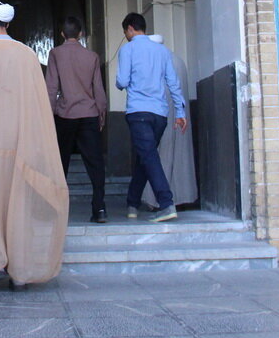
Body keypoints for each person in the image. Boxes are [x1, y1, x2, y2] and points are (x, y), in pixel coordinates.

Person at [0, 1, 69, 291]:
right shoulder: (28, 55)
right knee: (18, 206)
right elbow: (39, 104)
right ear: (7, 23)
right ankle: (20, 270)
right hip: (21, 144)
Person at [115, 13, 187, 223]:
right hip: (160, 115)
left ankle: (166, 204)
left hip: (138, 112)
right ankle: (132, 203)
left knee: (148, 157)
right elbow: (173, 83)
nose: (126, 35)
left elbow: (122, 81)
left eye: (125, 32)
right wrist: (180, 112)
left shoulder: (127, 49)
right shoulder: (162, 51)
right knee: (145, 157)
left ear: (130, 28)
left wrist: (120, 83)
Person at [45, 16, 109, 223]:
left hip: (65, 114)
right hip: (89, 114)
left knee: (60, 164)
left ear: (62, 34)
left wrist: (48, 114)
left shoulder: (55, 54)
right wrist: (101, 113)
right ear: (80, 34)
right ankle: (99, 208)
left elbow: (51, 87)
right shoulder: (92, 57)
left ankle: (57, 210)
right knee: (95, 163)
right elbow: (98, 89)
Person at [141, 35, 198, 209]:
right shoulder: (179, 61)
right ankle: (183, 196)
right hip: (180, 117)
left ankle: (157, 200)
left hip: (160, 115)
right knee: (180, 155)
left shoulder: (155, 62)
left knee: (160, 155)